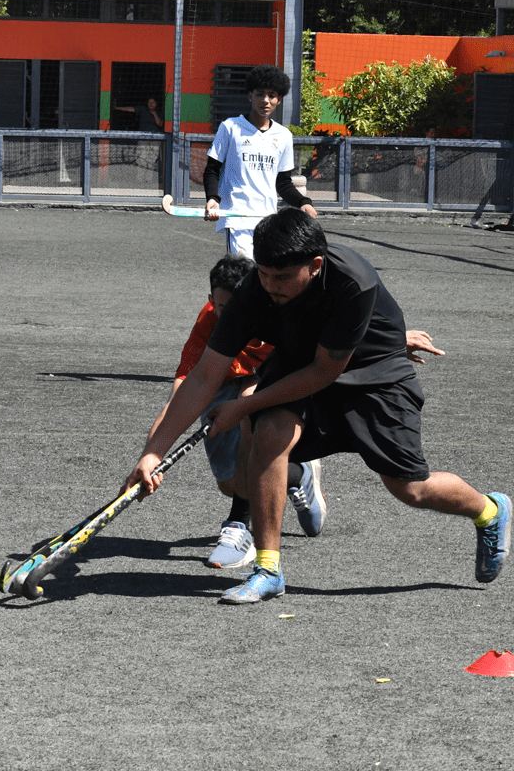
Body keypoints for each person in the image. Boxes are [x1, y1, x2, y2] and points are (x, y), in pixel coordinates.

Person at [125, 209, 510, 604]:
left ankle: (489, 510)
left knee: (410, 488)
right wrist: (152, 453)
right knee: (269, 429)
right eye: (263, 273)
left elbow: (324, 372)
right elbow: (205, 376)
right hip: (302, 363)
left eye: (282, 277)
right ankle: (268, 568)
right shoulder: (252, 293)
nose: (270, 286)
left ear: (315, 265)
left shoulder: (351, 281)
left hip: (373, 374)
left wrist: (245, 405)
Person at [151, 256, 325, 571]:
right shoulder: (207, 323)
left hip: (274, 379)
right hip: (223, 381)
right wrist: (152, 455)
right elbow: (183, 388)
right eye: (221, 308)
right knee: (230, 483)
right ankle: (298, 474)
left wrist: (393, 342)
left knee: (252, 408)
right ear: (210, 302)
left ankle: (238, 528)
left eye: (235, 306)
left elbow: (334, 339)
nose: (228, 315)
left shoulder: (280, 311)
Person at [204, 64, 317, 259]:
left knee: (265, 277)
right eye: (260, 94)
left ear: (279, 100)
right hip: (237, 218)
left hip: (267, 220)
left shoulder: (283, 135)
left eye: (272, 95)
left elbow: (282, 182)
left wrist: (303, 202)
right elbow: (212, 169)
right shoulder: (230, 127)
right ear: (250, 95)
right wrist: (213, 199)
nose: (265, 100)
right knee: (245, 273)